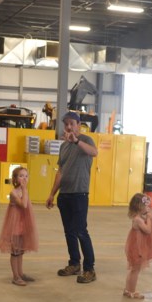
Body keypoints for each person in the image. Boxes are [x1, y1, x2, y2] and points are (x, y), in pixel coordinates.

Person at [45, 111, 98, 284]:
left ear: (78, 124)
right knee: (69, 232)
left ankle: (89, 269)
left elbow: (94, 152)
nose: (68, 127)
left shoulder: (86, 140)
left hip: (79, 194)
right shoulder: (63, 146)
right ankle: (75, 263)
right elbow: (60, 171)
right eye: (66, 124)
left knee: (81, 231)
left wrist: (76, 141)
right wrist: (52, 194)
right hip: (65, 195)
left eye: (72, 124)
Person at [0, 166, 38, 286]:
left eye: (26, 176)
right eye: (21, 176)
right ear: (15, 178)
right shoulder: (14, 193)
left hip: (23, 224)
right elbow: (24, 205)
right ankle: (15, 276)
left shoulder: (24, 191)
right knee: (15, 251)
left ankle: (20, 273)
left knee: (20, 251)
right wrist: (25, 190)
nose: (24, 178)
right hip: (14, 224)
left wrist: (25, 190)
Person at [123, 192, 152, 299]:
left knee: (133, 270)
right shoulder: (138, 220)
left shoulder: (138, 218)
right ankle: (132, 291)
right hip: (137, 249)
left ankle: (128, 289)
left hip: (137, 247)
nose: (148, 208)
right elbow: (148, 230)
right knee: (135, 270)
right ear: (139, 207)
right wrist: (149, 218)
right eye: (146, 206)